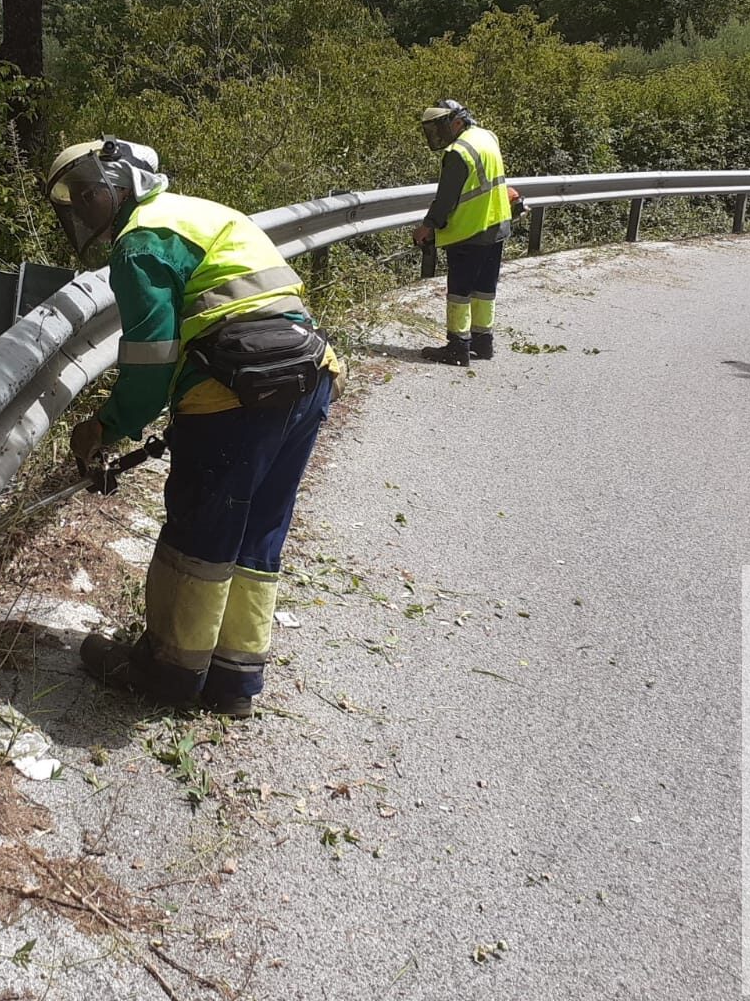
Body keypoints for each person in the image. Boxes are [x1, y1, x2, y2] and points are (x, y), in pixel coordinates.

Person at [44, 138, 341, 719]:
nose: (83, 207)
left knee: (199, 530)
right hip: (308, 378)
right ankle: (234, 682)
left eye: (88, 192)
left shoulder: (140, 241)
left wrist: (106, 426)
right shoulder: (206, 214)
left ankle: (168, 672)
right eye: (76, 199)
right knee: (260, 525)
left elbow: (151, 361)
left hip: (233, 394)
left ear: (121, 181)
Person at [412, 99, 512, 364]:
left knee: (460, 292)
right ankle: (483, 342)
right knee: (484, 289)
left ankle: (458, 348)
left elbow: (446, 199)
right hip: (496, 226)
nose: (437, 135)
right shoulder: (487, 137)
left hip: (469, 231)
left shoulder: (458, 151)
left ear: (457, 122)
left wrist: (428, 226)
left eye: (439, 127)